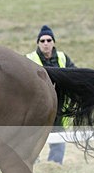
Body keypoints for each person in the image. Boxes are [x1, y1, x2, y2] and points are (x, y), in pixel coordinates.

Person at [26, 25, 75, 164]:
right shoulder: (29, 59)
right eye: (42, 41)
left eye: (49, 40)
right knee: (32, 141)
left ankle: (54, 167)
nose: (46, 43)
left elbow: (73, 75)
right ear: (38, 43)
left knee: (58, 141)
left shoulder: (63, 58)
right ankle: (33, 166)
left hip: (58, 109)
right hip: (36, 111)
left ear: (53, 42)